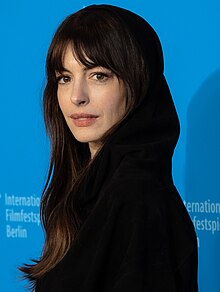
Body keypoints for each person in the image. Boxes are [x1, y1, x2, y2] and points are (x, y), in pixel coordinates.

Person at [20, 4, 198, 291]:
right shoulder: (89, 188)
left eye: (98, 75)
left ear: (139, 83)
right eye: (64, 78)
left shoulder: (137, 196)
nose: (76, 96)